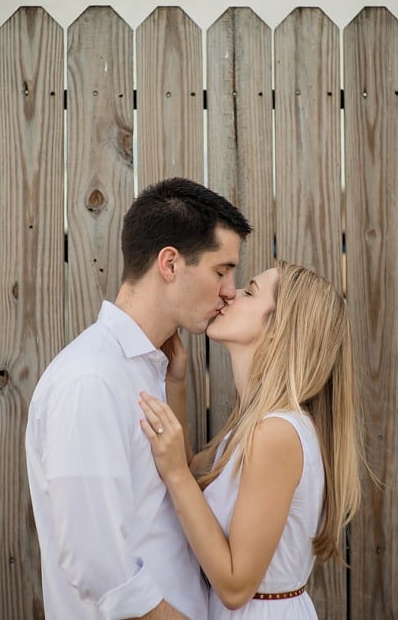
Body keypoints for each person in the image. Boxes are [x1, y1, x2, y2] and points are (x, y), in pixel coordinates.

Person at [25, 177, 252, 620]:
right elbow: (101, 571)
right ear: (170, 263)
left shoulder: (149, 369)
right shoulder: (90, 380)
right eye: (221, 271)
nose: (230, 290)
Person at [138, 262, 362, 619]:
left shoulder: (276, 434)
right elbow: (193, 477)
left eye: (249, 291)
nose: (230, 293)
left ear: (276, 331)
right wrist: (175, 384)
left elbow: (235, 586)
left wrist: (176, 472)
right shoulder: (256, 426)